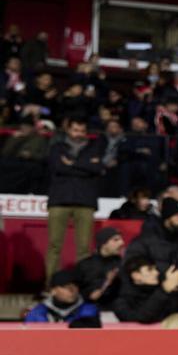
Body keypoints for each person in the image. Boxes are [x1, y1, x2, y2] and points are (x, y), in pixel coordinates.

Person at [45, 117, 105, 280]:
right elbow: (57, 167)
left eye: (82, 131)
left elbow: (98, 169)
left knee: (84, 248)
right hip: (59, 200)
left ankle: (82, 285)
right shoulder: (57, 147)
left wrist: (71, 164)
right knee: (54, 245)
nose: (79, 134)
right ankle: (52, 285)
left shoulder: (95, 147)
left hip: (85, 201)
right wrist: (85, 165)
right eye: (75, 130)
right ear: (68, 130)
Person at [110, 256, 178, 323]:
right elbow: (139, 319)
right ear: (136, 275)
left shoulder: (165, 294)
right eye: (150, 269)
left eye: (155, 269)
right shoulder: (121, 302)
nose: (156, 272)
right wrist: (164, 290)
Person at [25, 269, 100, 325]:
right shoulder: (36, 313)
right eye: (67, 287)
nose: (72, 291)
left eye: (75, 286)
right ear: (53, 291)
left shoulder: (90, 311)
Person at [75, 227, 125, 308]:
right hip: (89, 311)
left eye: (121, 239)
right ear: (103, 243)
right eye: (116, 240)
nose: (122, 243)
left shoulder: (123, 263)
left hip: (117, 311)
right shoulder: (85, 265)